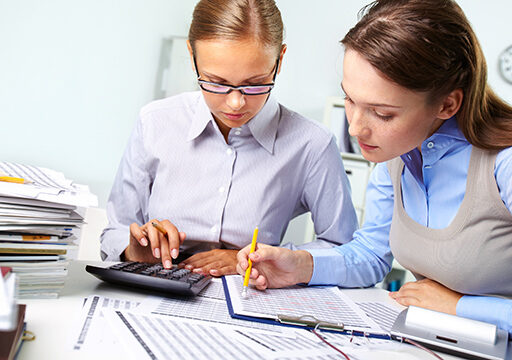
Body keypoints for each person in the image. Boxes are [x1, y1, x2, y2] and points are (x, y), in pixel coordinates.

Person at [237, 0, 512, 335]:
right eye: (350, 100)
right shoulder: (399, 153)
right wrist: (300, 267)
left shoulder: (504, 163)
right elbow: (371, 254)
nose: (355, 129)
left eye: (382, 114)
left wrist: (458, 306)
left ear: (447, 104)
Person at [100, 0, 358, 277]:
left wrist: (257, 259)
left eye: (254, 83)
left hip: (250, 296)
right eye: (216, 82)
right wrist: (134, 250)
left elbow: (342, 247)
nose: (235, 103)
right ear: (192, 56)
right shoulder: (155, 122)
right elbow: (114, 231)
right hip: (156, 287)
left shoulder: (312, 144)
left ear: (279, 60)